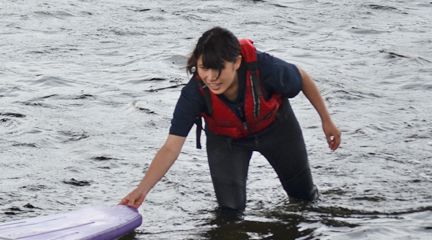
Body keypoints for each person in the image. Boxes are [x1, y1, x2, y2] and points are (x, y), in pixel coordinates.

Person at [120, 27, 341, 213]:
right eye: (204, 68)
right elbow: (170, 148)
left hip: (277, 129)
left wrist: (327, 121)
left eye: (219, 69)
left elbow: (302, 78)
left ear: (236, 62)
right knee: (229, 212)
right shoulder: (194, 94)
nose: (211, 77)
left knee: (305, 200)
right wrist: (142, 190)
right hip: (227, 141)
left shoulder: (264, 68)